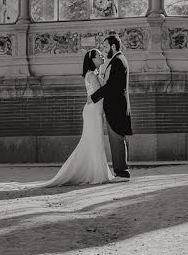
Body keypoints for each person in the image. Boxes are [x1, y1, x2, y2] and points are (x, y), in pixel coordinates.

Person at [32, 49, 114, 187]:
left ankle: (96, 172)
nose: (102, 56)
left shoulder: (93, 74)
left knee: (93, 142)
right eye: (99, 55)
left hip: (94, 110)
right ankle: (98, 174)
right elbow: (100, 93)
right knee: (95, 141)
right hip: (93, 111)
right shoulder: (92, 75)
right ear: (93, 60)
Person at [90, 35, 132, 178]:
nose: (105, 49)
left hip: (116, 107)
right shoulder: (118, 60)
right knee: (117, 139)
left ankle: (122, 171)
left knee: (116, 140)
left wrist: (93, 97)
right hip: (117, 106)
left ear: (113, 47)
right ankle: (121, 169)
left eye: (106, 47)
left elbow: (111, 87)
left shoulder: (118, 61)